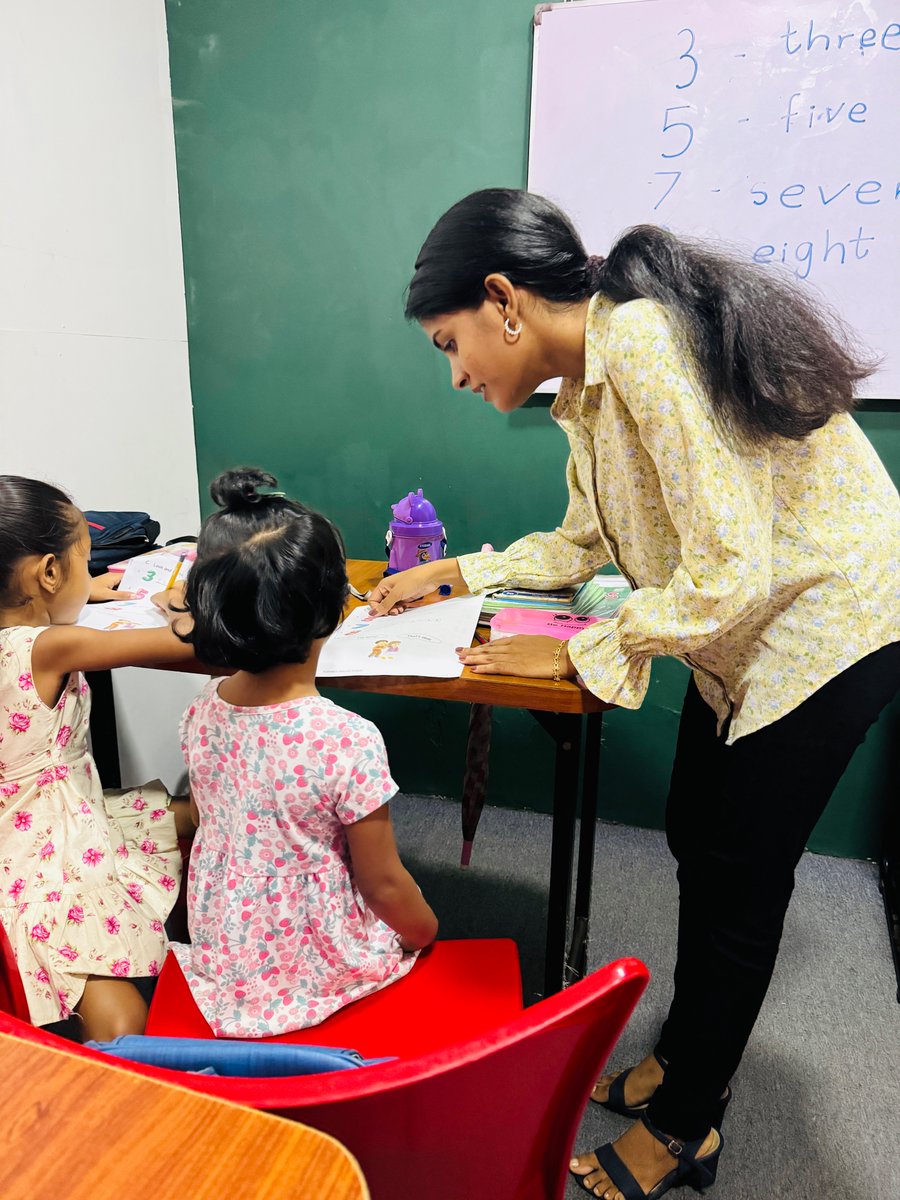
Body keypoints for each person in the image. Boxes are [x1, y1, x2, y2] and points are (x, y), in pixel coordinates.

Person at [368, 189, 900, 1198]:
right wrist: (462, 574)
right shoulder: (585, 385)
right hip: (745, 628)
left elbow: (731, 573)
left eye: (451, 342)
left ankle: (689, 1124)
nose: (455, 374)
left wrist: (608, 643)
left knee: (740, 877)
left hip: (833, 624)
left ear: (503, 299)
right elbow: (581, 542)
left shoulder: (645, 344)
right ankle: (696, 1057)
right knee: (699, 832)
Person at [168, 468, 437, 1038]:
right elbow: (382, 883)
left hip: (225, 939)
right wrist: (426, 930)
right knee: (403, 937)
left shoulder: (203, 708)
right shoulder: (348, 740)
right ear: (337, 608)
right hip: (306, 953)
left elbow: (200, 815)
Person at [0, 475, 196, 1042]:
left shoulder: (34, 633)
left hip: (29, 822)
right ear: (49, 574)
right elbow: (187, 643)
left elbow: (69, 611)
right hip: (51, 855)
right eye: (87, 566)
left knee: (186, 811)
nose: (95, 579)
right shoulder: (49, 647)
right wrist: (177, 605)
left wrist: (97, 593)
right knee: (122, 1023)